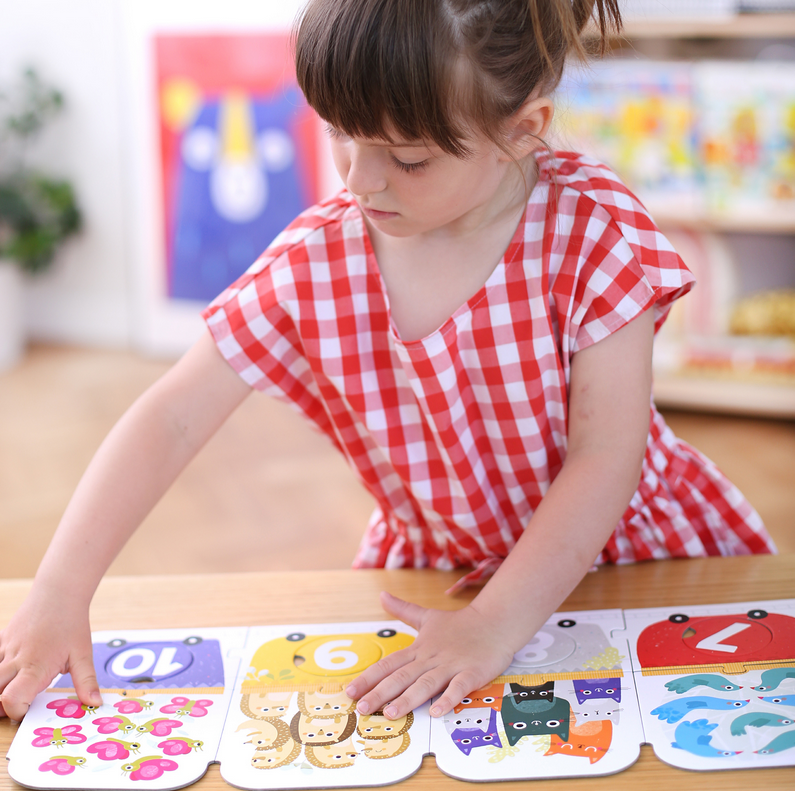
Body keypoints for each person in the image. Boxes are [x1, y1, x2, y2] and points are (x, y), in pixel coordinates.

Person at [0, 0, 776, 726]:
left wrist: (490, 627)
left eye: (407, 159)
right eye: (339, 132)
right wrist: (60, 589)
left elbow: (604, 456)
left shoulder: (592, 229)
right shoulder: (318, 256)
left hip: (630, 554)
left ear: (524, 128)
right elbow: (170, 416)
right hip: (438, 570)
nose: (357, 179)